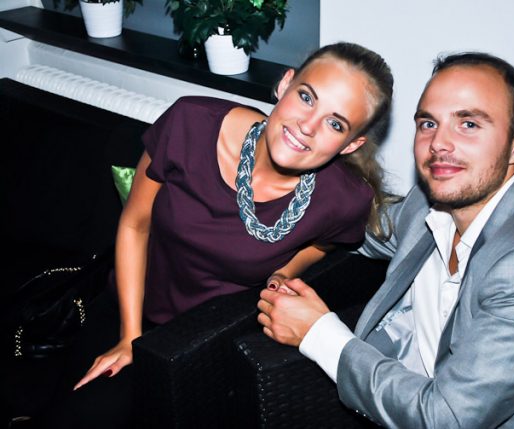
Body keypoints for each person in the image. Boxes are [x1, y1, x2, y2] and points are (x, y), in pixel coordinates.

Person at [258, 52, 514, 428]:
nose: (439, 143)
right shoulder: (431, 201)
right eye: (429, 123)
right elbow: (354, 226)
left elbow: (444, 418)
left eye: (468, 123)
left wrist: (319, 332)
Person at [44, 42, 394, 427]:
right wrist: (130, 336)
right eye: (307, 97)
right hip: (130, 307)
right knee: (82, 415)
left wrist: (285, 271)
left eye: (335, 124)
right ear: (285, 84)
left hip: (210, 339)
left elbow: (325, 245)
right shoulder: (191, 122)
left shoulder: (344, 199)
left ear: (351, 144)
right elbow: (135, 223)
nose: (307, 126)